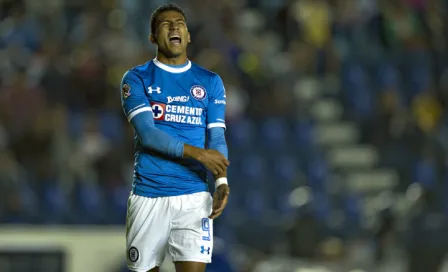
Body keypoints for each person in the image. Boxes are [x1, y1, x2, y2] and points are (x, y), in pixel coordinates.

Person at [120, 4, 231, 272]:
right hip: (150, 195)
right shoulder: (136, 78)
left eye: (179, 22)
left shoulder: (210, 81)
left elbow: (216, 137)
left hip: (194, 197)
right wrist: (199, 154)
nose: (173, 27)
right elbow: (148, 136)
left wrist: (221, 180)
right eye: (165, 24)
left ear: (188, 35)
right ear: (152, 38)